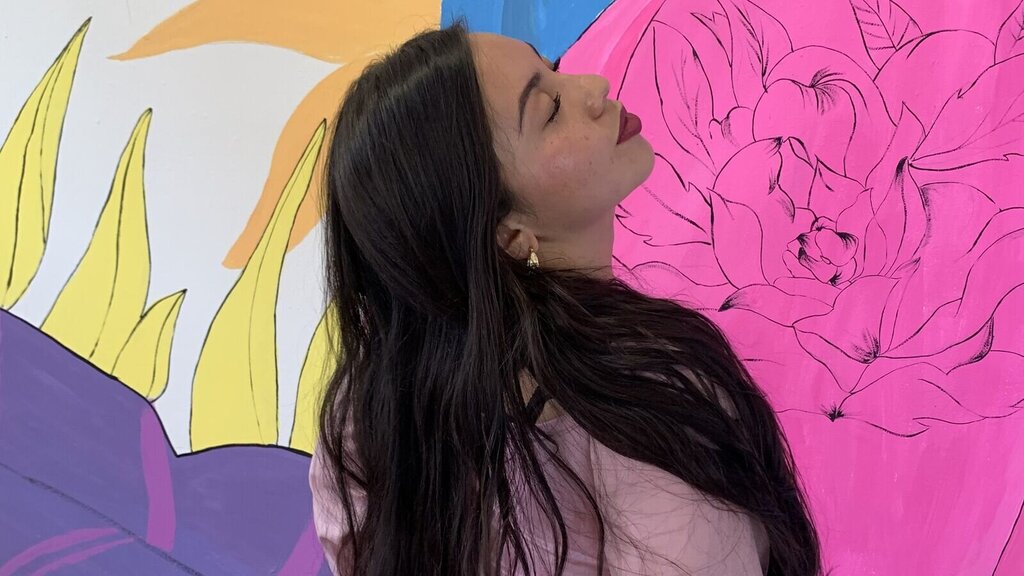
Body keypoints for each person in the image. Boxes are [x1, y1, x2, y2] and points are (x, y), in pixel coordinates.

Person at [308, 18, 822, 576]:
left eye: (553, 69)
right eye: (549, 108)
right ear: (509, 235)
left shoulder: (366, 422)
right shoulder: (646, 403)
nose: (594, 88)